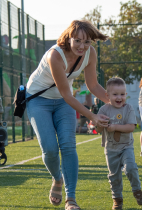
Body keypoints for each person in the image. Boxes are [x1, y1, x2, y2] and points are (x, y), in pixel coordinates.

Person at [25, 20, 110, 210]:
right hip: (39, 100)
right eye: (78, 40)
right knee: (50, 149)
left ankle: (70, 199)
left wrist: (115, 102)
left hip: (64, 102)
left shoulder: (90, 53)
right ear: (68, 38)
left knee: (68, 146)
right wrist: (93, 117)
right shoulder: (55, 55)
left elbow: (93, 85)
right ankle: (57, 179)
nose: (82, 46)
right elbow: (67, 94)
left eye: (87, 42)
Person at [96, 77, 142, 209]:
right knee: (114, 176)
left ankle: (137, 190)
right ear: (107, 95)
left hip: (126, 147)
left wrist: (115, 127)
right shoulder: (103, 110)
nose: (119, 97)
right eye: (115, 94)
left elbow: (131, 127)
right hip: (110, 149)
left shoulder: (128, 108)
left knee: (131, 168)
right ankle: (117, 199)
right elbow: (98, 129)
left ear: (126, 95)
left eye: (122, 94)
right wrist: (99, 123)